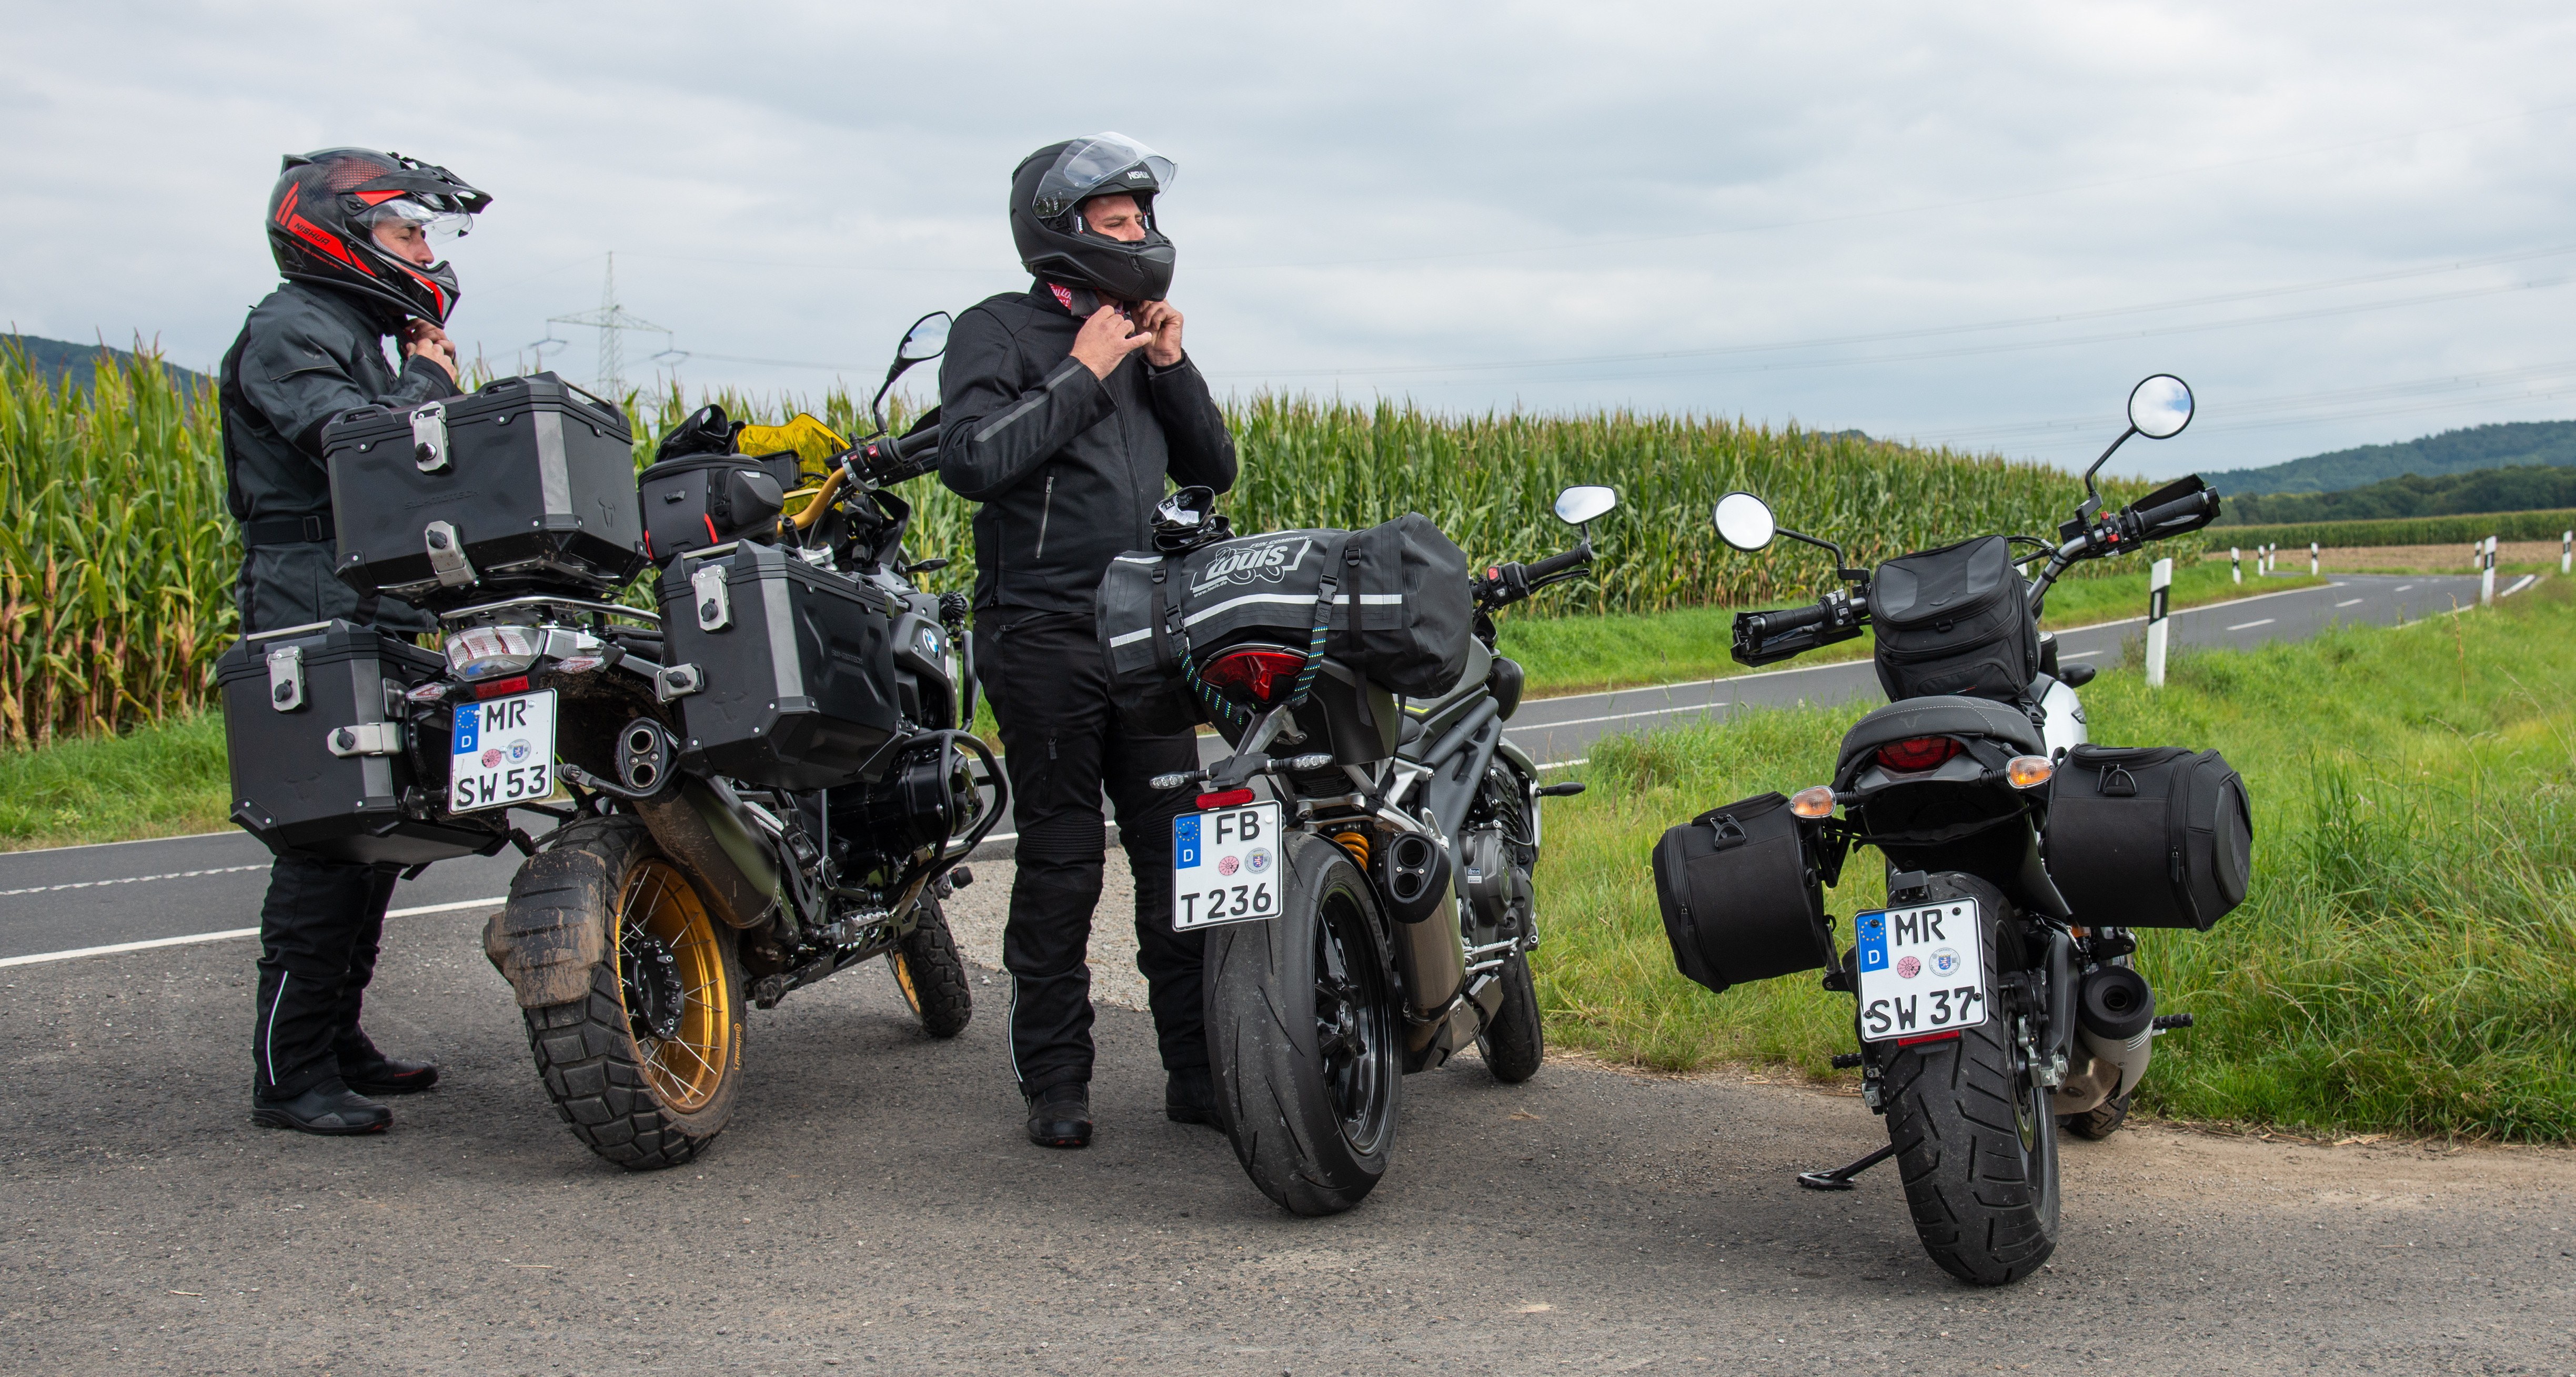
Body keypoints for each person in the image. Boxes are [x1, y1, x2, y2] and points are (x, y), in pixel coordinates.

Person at [938, 134, 1238, 1148]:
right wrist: (1080, 371)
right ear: (1062, 231)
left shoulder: (1145, 339)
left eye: (1144, 219)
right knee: (1065, 862)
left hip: (1147, 633)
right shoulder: (998, 332)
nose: (1141, 236)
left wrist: (1170, 363)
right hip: (1042, 631)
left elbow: (1214, 467)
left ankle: (1198, 1073)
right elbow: (975, 460)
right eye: (1119, 221)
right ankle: (1058, 1086)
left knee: (1176, 860)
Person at [222, 148, 491, 1135]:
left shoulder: (349, 332)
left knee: (371, 833)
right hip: (309, 599)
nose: (427, 251)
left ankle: (337, 1040)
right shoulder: (288, 330)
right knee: (325, 838)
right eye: (409, 232)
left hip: (367, 600)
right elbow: (360, 453)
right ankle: (288, 1073)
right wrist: (426, 376)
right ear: (340, 234)